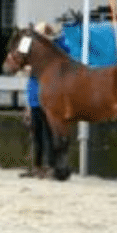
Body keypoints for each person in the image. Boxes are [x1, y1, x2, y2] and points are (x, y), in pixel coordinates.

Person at [20, 22, 71, 179]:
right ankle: (39, 166)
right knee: (37, 134)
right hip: (36, 96)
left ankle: (50, 167)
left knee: (49, 134)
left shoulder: (56, 49)